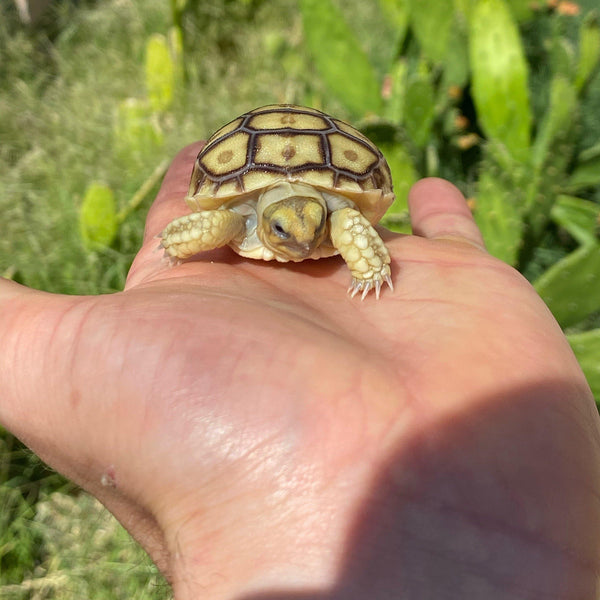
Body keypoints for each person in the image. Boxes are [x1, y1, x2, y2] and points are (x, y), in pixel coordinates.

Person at [1, 143, 599, 600]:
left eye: (313, 225)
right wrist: (179, 244)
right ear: (269, 219)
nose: (302, 238)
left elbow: (347, 227)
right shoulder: (238, 218)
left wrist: (367, 266)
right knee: (218, 225)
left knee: (338, 227)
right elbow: (209, 224)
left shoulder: (334, 221)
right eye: (287, 230)